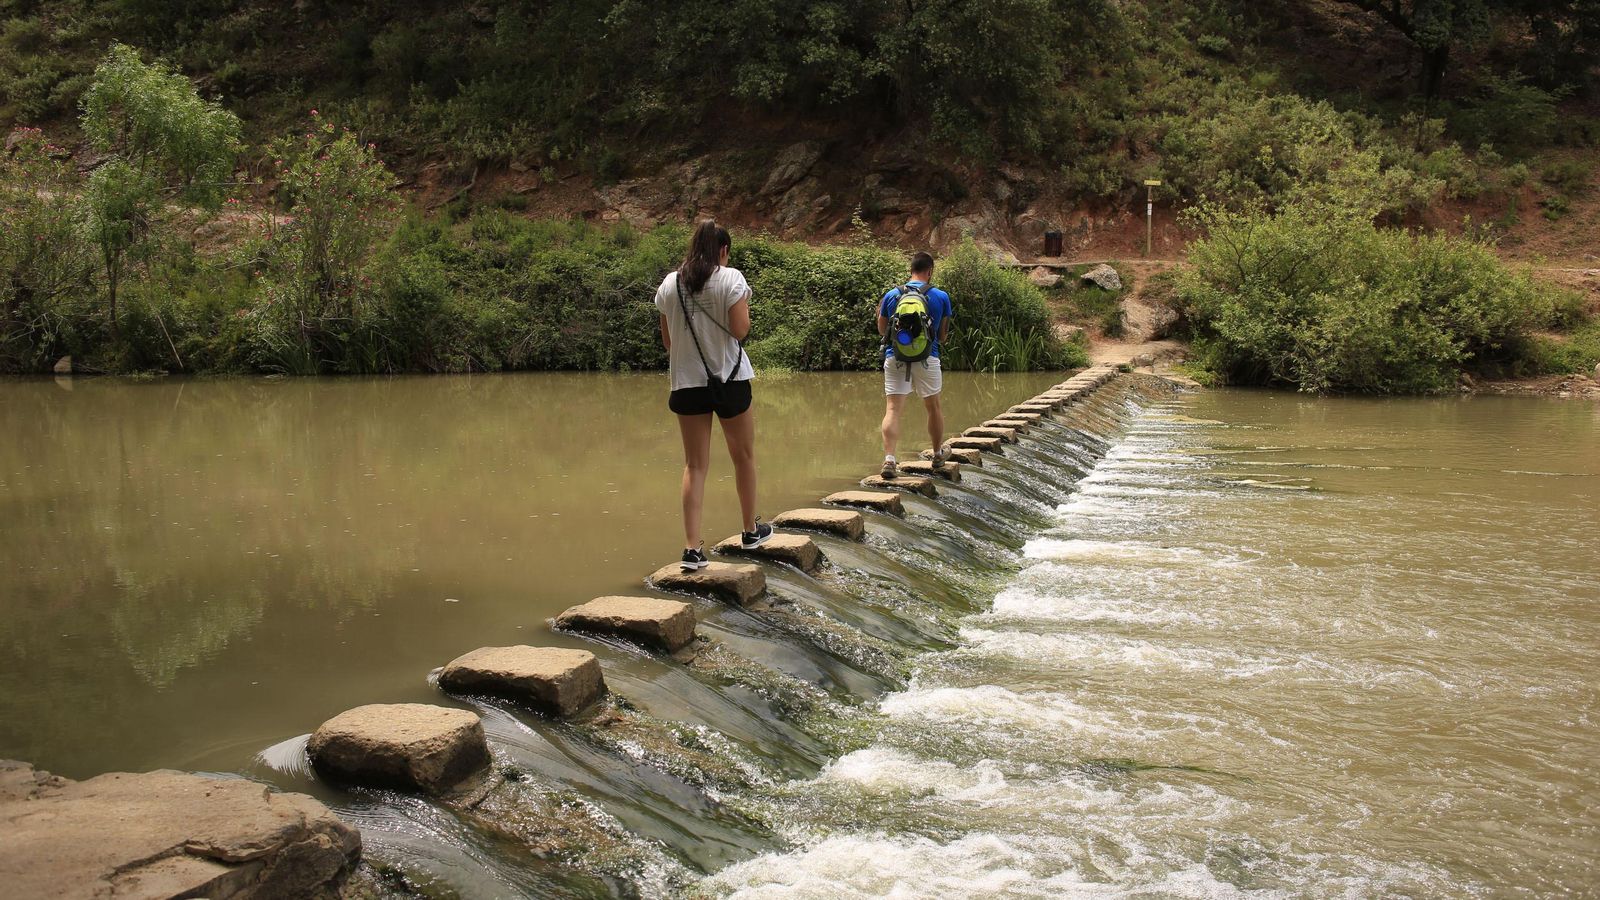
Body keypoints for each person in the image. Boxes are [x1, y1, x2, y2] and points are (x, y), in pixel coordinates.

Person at [655, 220, 773, 571]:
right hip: (730, 379)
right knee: (744, 457)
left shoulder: (670, 283)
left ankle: (692, 550)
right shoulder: (731, 278)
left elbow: (668, 342)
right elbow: (740, 330)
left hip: (687, 383)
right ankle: (751, 531)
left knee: (694, 465)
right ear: (723, 250)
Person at [878, 251, 953, 478]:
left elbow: (882, 331)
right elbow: (941, 336)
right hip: (928, 358)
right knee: (933, 407)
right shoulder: (940, 296)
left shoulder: (892, 295)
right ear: (930, 271)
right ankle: (938, 454)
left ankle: (890, 459)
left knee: (892, 409)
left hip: (895, 357)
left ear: (910, 269)